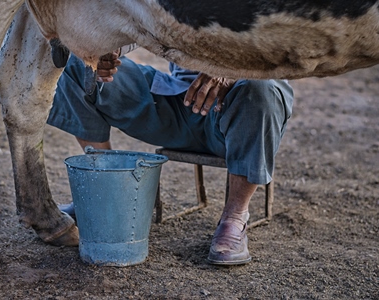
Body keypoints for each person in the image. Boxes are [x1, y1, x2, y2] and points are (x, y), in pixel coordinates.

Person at [47, 46, 293, 265]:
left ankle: (235, 219)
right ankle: (106, 195)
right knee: (77, 62)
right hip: (178, 100)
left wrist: (231, 71)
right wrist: (108, 50)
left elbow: (288, 51)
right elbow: (144, 18)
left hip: (239, 104)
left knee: (262, 88)